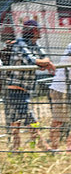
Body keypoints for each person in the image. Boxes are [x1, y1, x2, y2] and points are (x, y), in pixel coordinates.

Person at [4, 20, 54, 149]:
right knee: (31, 120)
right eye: (38, 29)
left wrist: (43, 62)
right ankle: (44, 147)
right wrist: (43, 63)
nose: (40, 31)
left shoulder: (34, 44)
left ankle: (15, 150)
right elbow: (31, 61)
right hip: (15, 91)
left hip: (23, 90)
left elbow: (44, 57)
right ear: (33, 31)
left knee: (16, 123)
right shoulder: (21, 43)